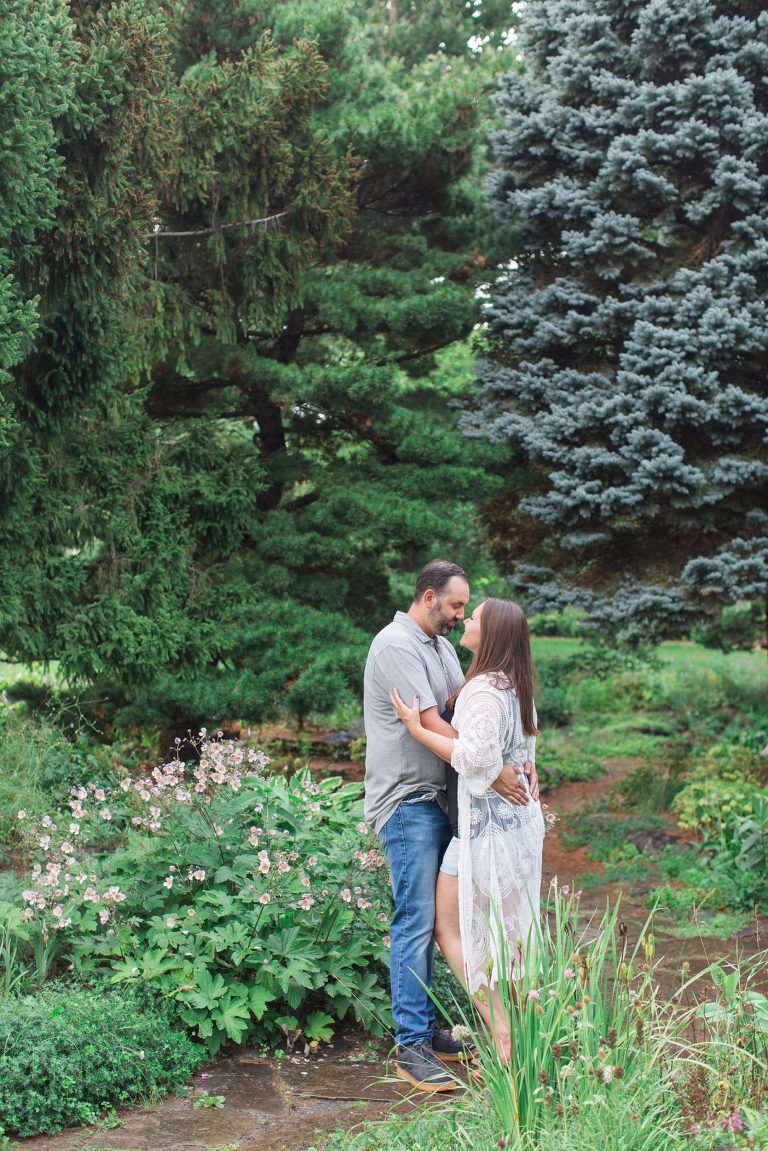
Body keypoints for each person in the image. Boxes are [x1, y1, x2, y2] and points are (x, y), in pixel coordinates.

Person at [364, 563, 538, 1091]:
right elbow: (436, 725)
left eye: (468, 610)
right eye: (456, 606)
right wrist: (497, 768)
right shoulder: (396, 645)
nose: (461, 615)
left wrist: (505, 759)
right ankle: (410, 1043)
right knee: (418, 920)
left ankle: (430, 1027)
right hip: (409, 800)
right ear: (429, 596)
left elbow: (466, 715)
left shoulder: (440, 646)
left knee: (450, 919)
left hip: (447, 799)